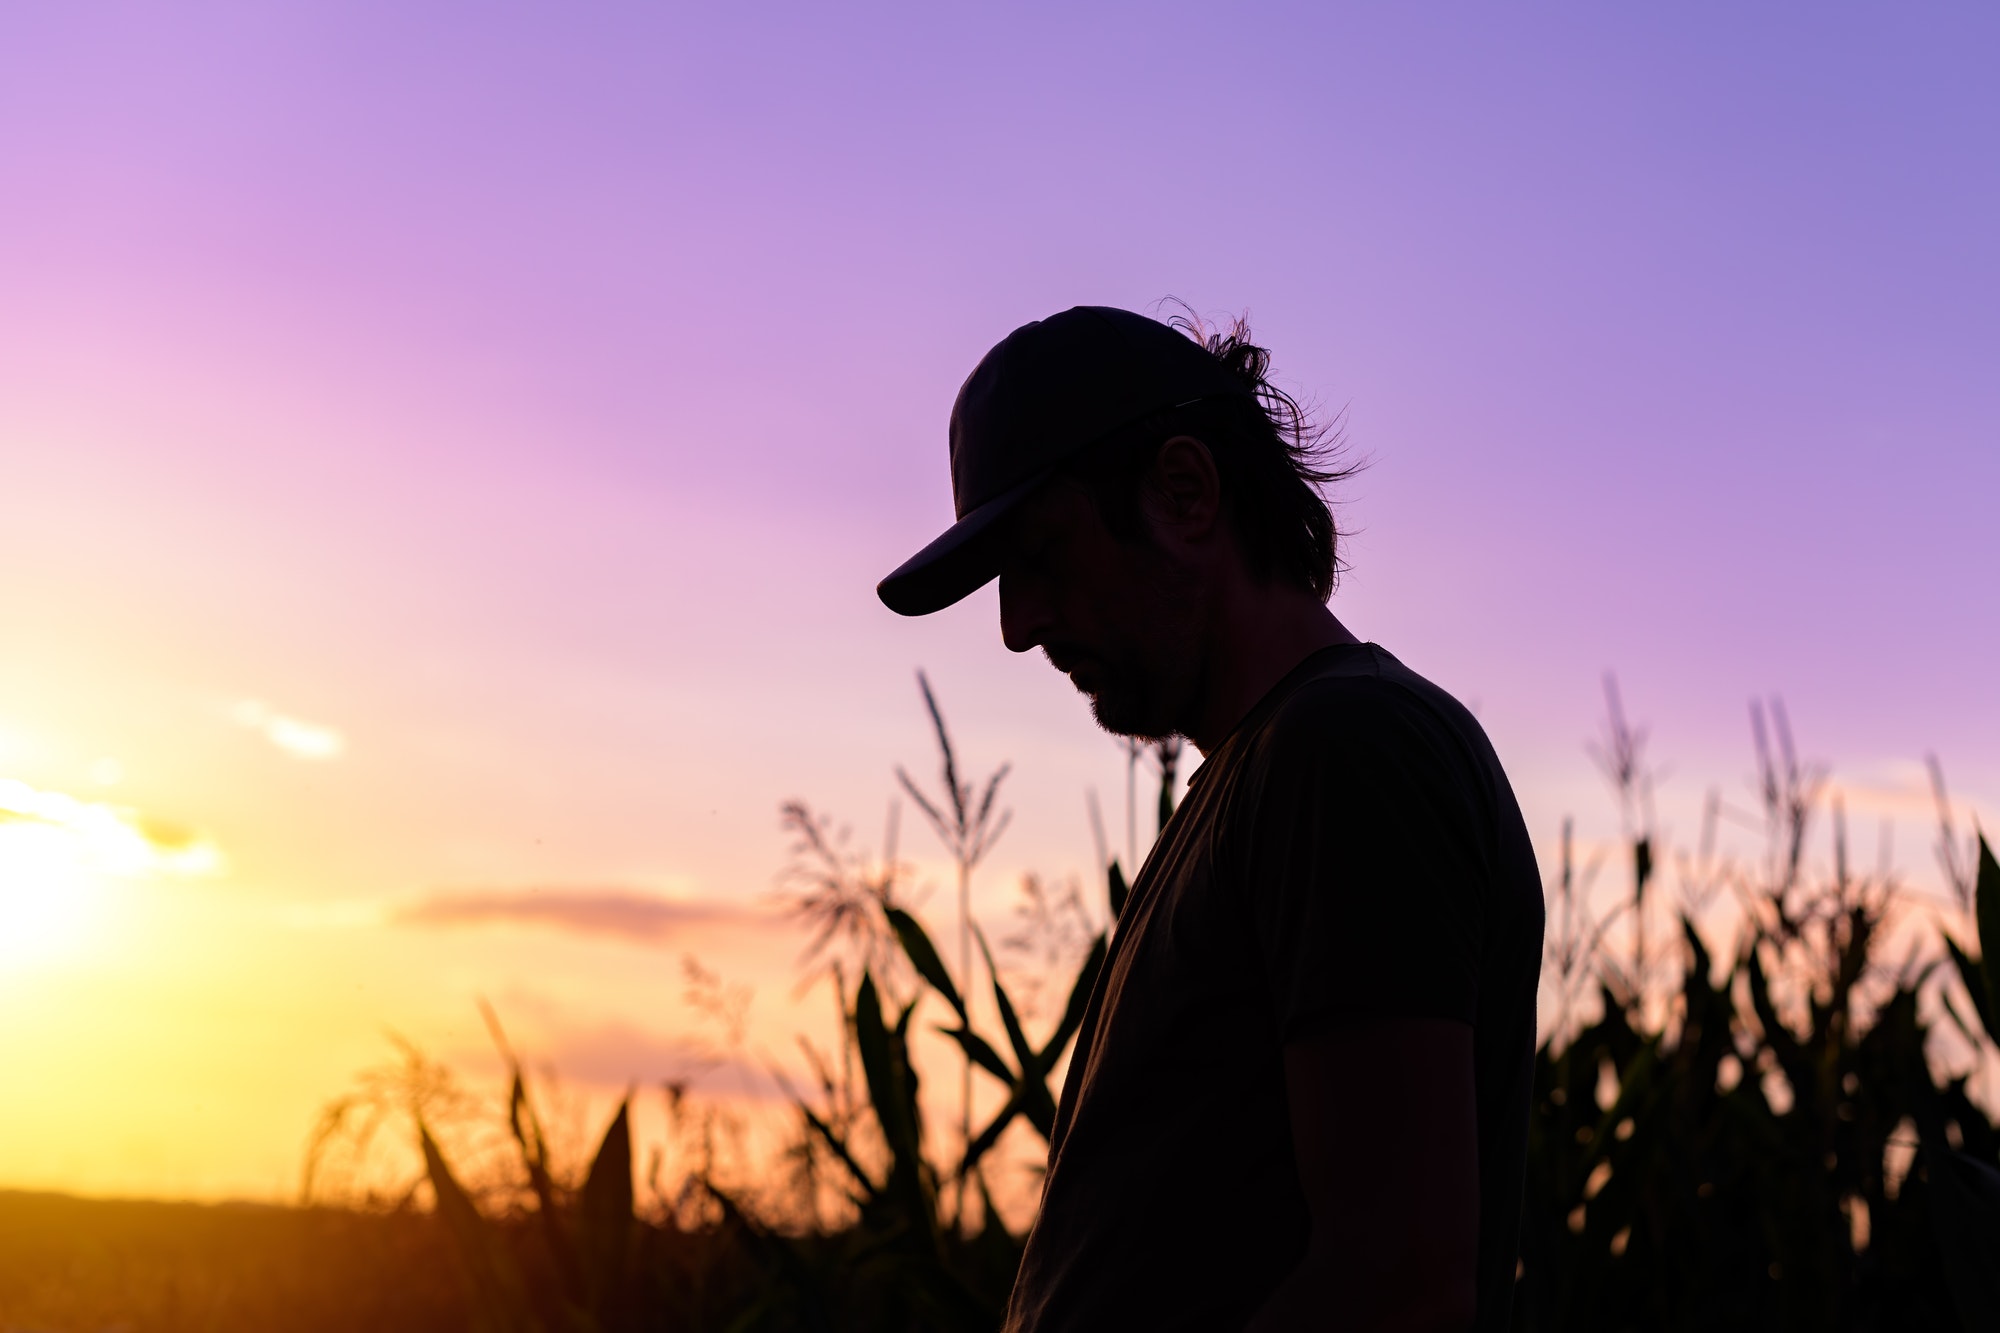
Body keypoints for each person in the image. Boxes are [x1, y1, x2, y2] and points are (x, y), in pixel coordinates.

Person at [877, 305, 1544, 1332]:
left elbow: (1394, 1285)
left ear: (1183, 493)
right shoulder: (1263, 779)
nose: (1017, 626)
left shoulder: (1344, 751)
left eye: (1041, 557)